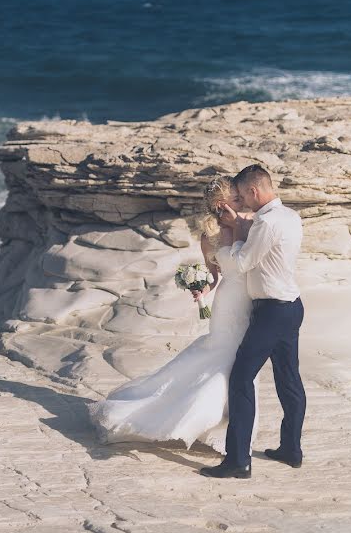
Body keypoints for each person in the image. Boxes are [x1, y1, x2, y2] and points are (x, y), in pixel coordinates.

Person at [88, 175, 258, 451]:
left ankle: (228, 431)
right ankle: (207, 424)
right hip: (228, 302)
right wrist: (203, 290)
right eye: (235, 199)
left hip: (249, 301)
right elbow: (215, 277)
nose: (242, 202)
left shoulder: (250, 223)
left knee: (238, 364)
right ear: (219, 205)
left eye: (240, 197)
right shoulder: (210, 235)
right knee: (227, 360)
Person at [199, 164, 306, 479]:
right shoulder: (290, 216)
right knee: (289, 380)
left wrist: (231, 237)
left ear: (254, 190)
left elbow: (243, 262)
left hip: (271, 311)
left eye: (243, 194)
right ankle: (291, 449)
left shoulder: (266, 222)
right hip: (292, 306)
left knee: (241, 378)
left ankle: (238, 461)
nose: (242, 200)